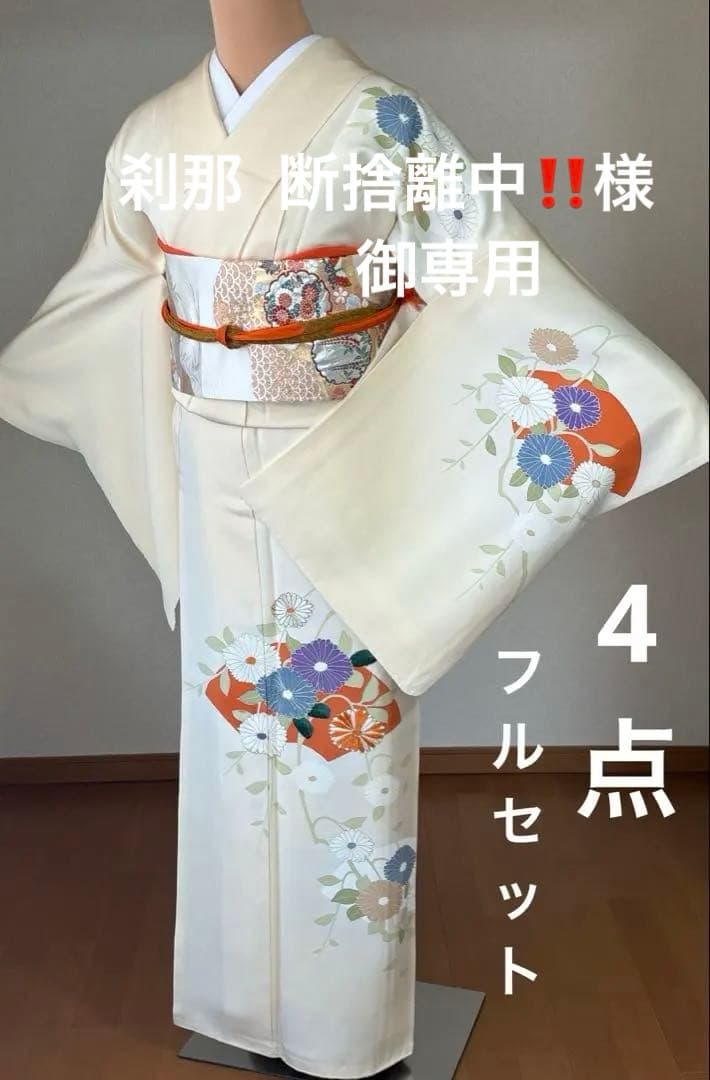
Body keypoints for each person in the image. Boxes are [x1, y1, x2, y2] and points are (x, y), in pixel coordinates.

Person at [0, 3, 707, 1076]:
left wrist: (615, 395)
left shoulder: (378, 118)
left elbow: (487, 269)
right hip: (201, 455)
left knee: (344, 732)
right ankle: (244, 1006)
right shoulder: (152, 133)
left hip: (343, 458)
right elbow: (114, 293)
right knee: (233, 732)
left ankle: (343, 1029)